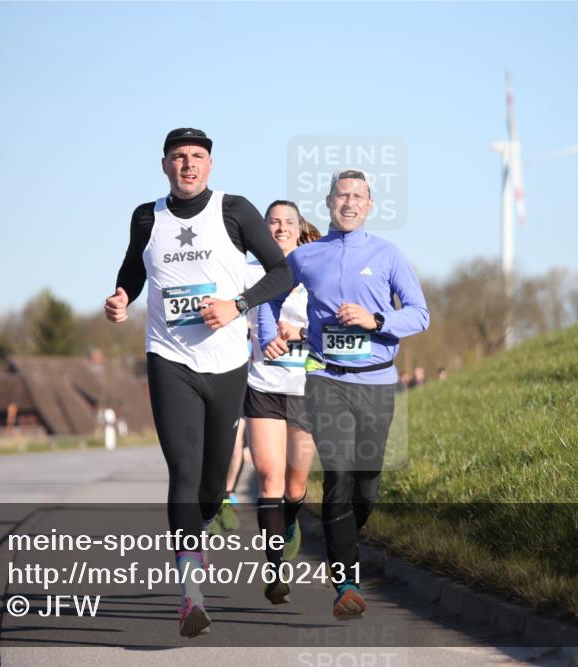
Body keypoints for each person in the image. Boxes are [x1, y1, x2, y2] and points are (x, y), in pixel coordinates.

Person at [104, 128, 292, 638]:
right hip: (170, 360)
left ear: (210, 165)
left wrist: (238, 304)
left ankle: (200, 528)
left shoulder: (235, 211)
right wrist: (121, 296)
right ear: (164, 165)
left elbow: (284, 272)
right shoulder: (148, 217)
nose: (189, 165)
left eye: (198, 157)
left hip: (228, 364)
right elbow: (133, 270)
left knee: (211, 487)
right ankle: (191, 597)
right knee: (183, 471)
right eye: (180, 157)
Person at [261, 168, 429, 619]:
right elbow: (271, 297)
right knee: (338, 475)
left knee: (366, 487)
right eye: (341, 195)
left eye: (358, 196)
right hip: (326, 379)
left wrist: (377, 321)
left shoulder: (388, 254)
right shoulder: (307, 257)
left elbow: (419, 314)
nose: (349, 203)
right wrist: (267, 334)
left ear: (370, 205)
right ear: (329, 203)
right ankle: (345, 584)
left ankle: (344, 543)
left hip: (377, 381)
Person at [243, 201, 320, 605]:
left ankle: (291, 524)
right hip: (263, 386)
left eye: (288, 222)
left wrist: (299, 333)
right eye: (272, 221)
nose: (280, 227)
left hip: (305, 388)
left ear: (300, 228)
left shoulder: (314, 274)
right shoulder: (249, 273)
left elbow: (330, 327)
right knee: (269, 479)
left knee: (295, 486)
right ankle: (275, 569)